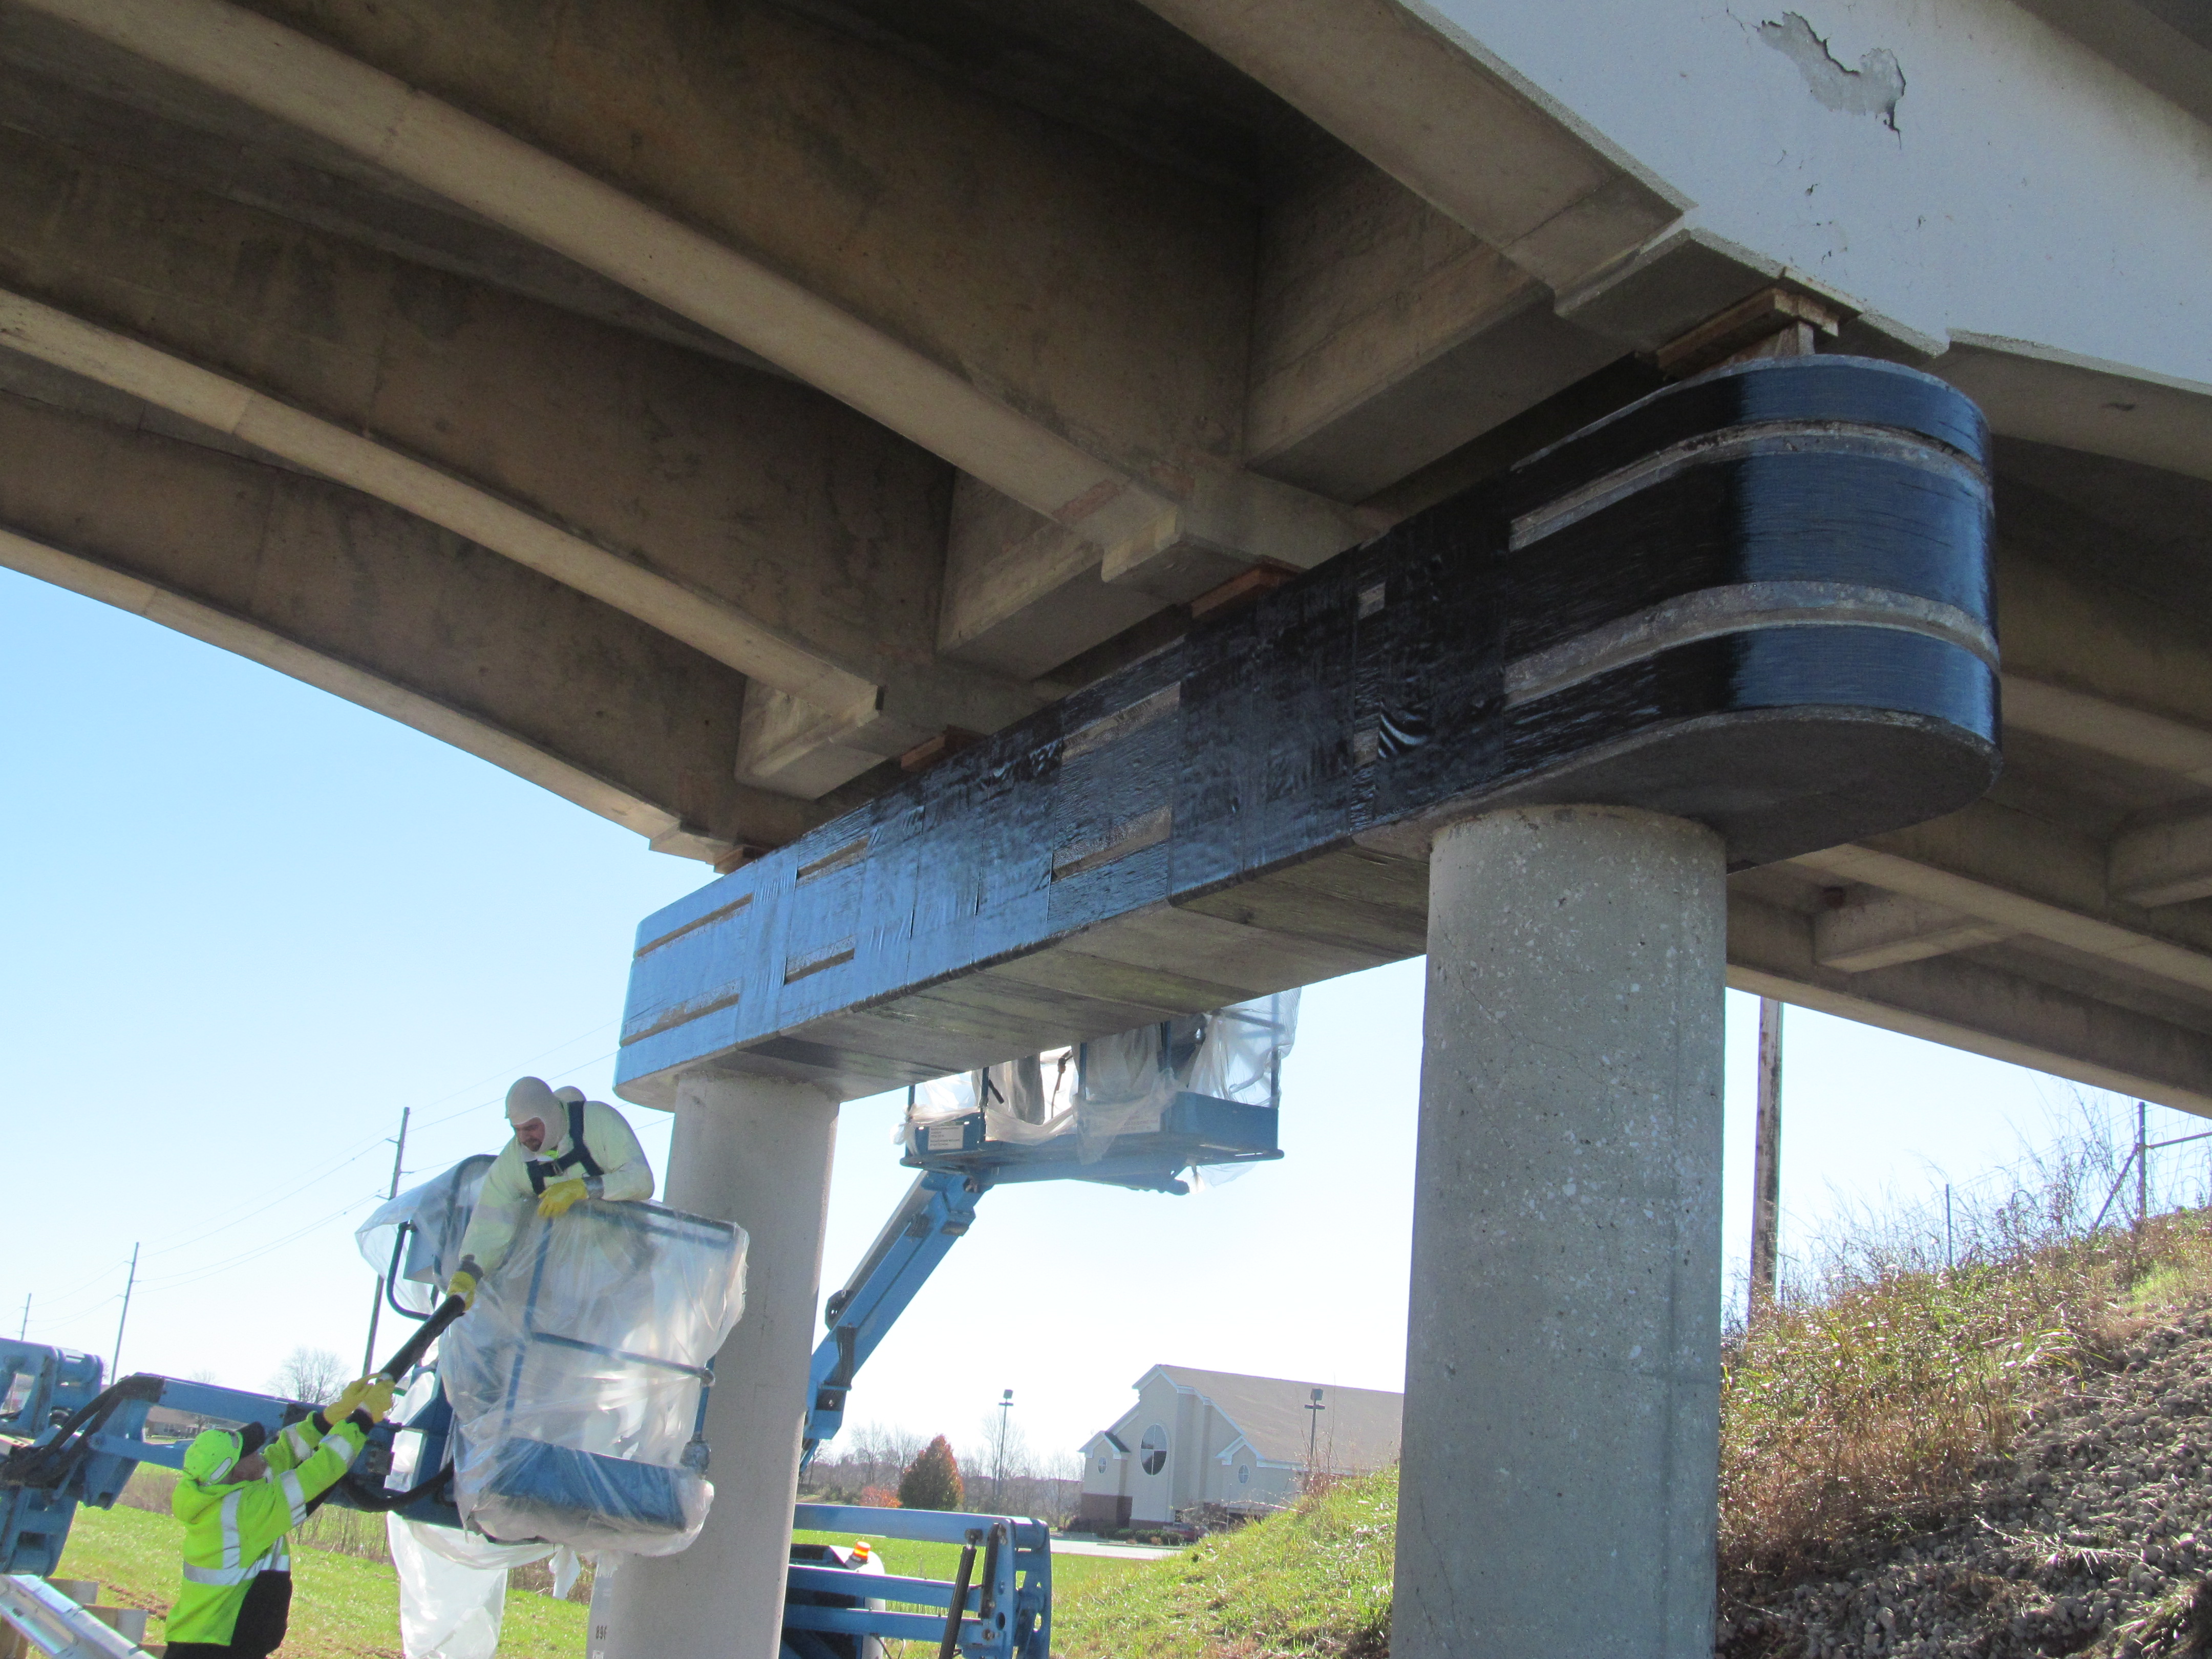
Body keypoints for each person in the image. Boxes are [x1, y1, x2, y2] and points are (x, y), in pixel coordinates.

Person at [165, 1374, 396, 1657]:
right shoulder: (245, 1512)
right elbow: (320, 1471)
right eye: (250, 1452)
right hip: (216, 1649)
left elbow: (282, 1454)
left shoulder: (222, 1496)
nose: (260, 1452)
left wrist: (330, 1417)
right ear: (236, 1473)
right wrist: (363, 1418)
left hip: (202, 1642)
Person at [446, 1076, 656, 1305]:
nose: (524, 1138)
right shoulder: (515, 1161)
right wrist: (469, 1271)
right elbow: (492, 1219)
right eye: (517, 1129)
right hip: (567, 1285)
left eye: (531, 1127)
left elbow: (641, 1180)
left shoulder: (598, 1122)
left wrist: (583, 1188)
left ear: (551, 1115)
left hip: (629, 1269)